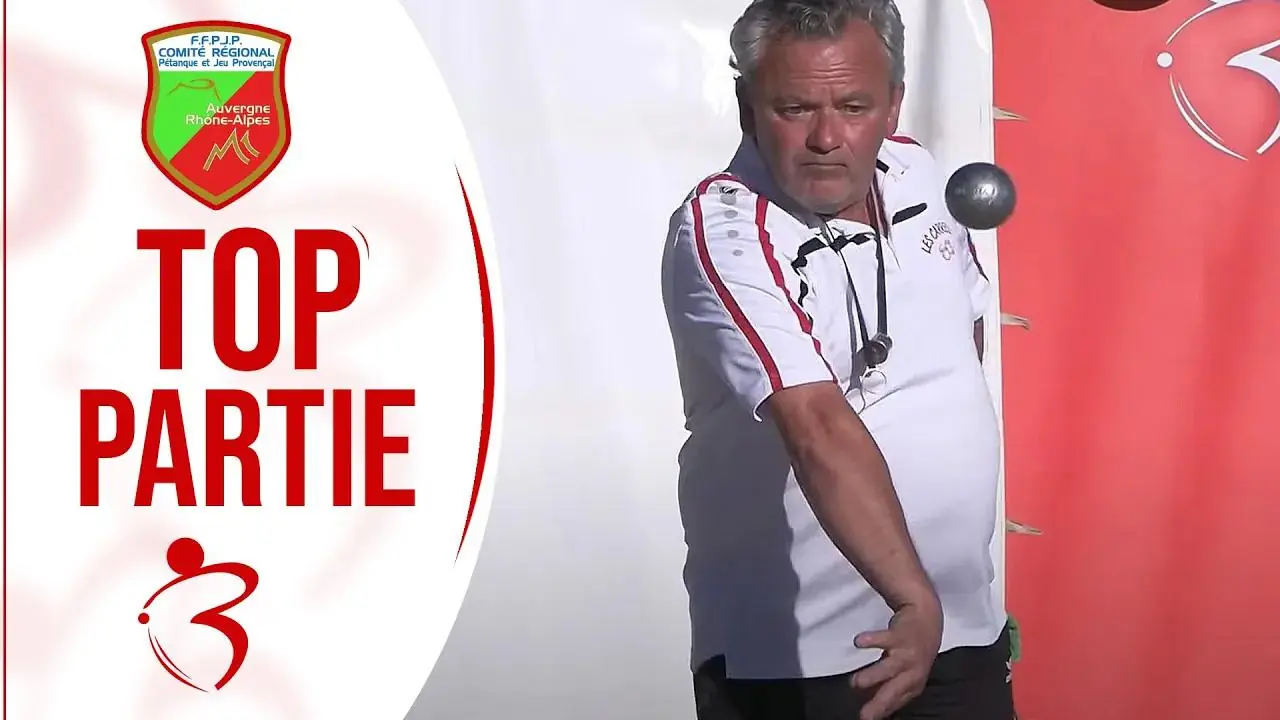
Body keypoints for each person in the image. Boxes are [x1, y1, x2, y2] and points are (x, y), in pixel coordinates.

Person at [659, 1, 1014, 718]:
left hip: (956, 630)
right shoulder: (724, 229)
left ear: (893, 104)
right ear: (747, 108)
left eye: (854, 106)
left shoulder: (916, 172)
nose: (827, 137)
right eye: (795, 108)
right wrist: (911, 596)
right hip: (804, 662)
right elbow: (815, 425)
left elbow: (961, 335)